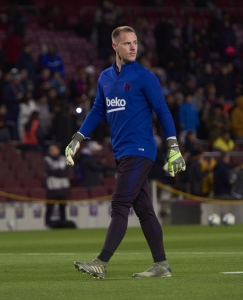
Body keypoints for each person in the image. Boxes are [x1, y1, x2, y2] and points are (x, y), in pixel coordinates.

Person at [65, 26, 186, 279]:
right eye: (127, 43)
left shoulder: (145, 77)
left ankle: (101, 262)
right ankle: (161, 265)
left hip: (140, 150)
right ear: (115, 47)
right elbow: (98, 110)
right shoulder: (105, 78)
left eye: (135, 42)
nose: (133, 47)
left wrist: (173, 145)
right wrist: (77, 139)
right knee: (144, 211)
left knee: (120, 204)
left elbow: (163, 110)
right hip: (122, 152)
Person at [44, 144, 70, 229]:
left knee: (63, 207)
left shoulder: (64, 159)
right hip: (52, 187)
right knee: (49, 208)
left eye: (54, 149)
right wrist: (59, 171)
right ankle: (47, 225)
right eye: (51, 150)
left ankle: (64, 224)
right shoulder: (46, 160)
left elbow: (66, 172)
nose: (53, 151)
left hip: (63, 187)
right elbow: (48, 171)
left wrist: (55, 172)